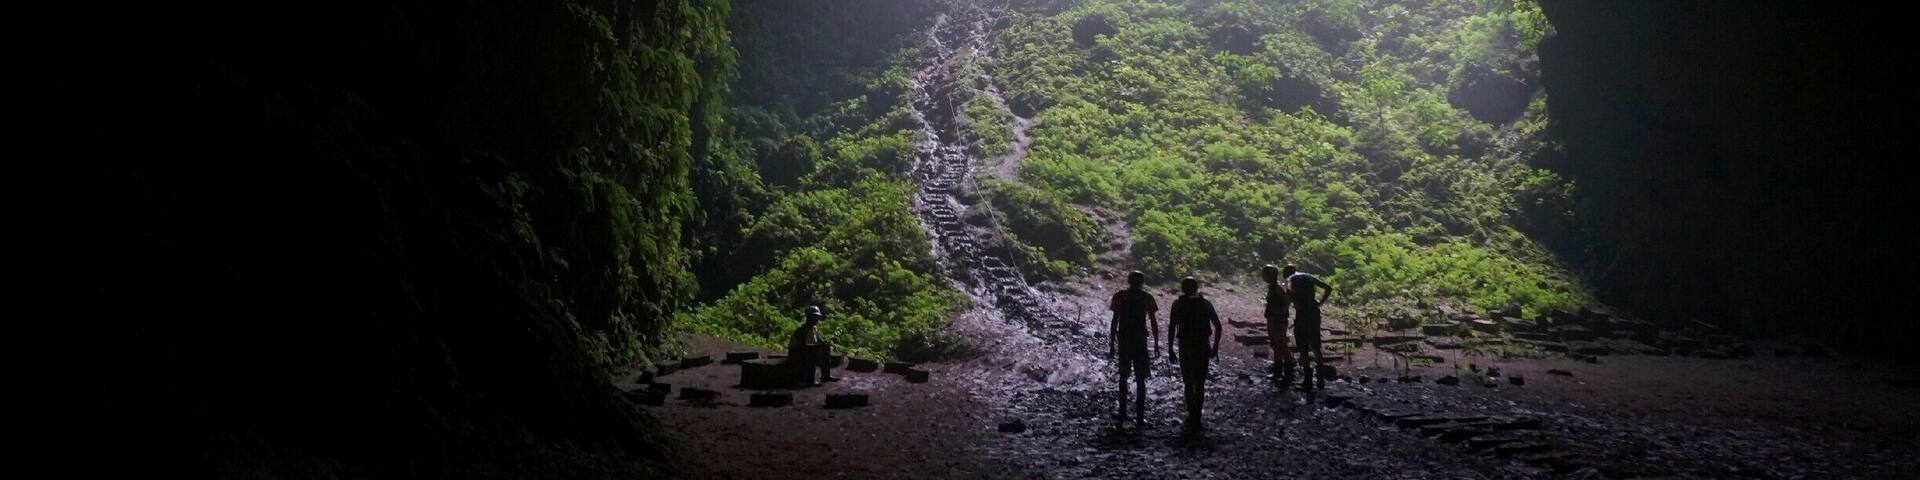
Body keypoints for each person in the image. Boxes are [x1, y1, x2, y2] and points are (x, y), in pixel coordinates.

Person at [1165, 277, 1221, 429]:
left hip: (1186, 347)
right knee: (1200, 383)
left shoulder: (1178, 305)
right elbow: (1218, 326)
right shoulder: (1205, 304)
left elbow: (1172, 328)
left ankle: (1192, 413)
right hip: (1203, 345)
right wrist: (1215, 347)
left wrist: (1170, 349)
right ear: (1197, 287)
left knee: (1188, 383)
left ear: (1183, 288)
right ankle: (1197, 416)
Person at [1107, 271, 1160, 422]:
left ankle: (1123, 412)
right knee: (1140, 378)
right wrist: (1156, 344)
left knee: (1123, 377)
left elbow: (1114, 321)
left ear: (1129, 281)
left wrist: (1112, 343)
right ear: (1142, 282)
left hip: (1124, 340)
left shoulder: (1120, 296)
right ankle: (1140, 416)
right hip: (1139, 341)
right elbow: (1153, 322)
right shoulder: (1146, 298)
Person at [1283, 265, 1334, 390]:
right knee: (1316, 345)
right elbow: (1328, 288)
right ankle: (1320, 378)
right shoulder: (1309, 276)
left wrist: (1295, 305)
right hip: (1314, 313)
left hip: (1303, 315)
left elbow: (1289, 292)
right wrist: (1320, 303)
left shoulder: (1290, 279)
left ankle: (1308, 380)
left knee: (1303, 346)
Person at [787, 306, 838, 385]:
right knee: (812, 354)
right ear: (809, 317)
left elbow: (819, 341)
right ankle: (810, 380)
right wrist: (817, 348)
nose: (817, 320)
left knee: (825, 350)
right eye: (815, 317)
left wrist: (825, 345)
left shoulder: (814, 328)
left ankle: (825, 376)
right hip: (797, 354)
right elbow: (803, 345)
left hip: (806, 351)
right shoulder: (803, 330)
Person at [1261, 264, 1294, 381]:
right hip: (1273, 318)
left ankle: (1289, 369)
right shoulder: (1272, 286)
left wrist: (1283, 310)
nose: (1263, 276)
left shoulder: (1277, 287)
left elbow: (1288, 297)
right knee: (1275, 344)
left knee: (1281, 344)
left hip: (1278, 319)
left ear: (1270, 275)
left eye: (1264, 274)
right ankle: (1278, 370)